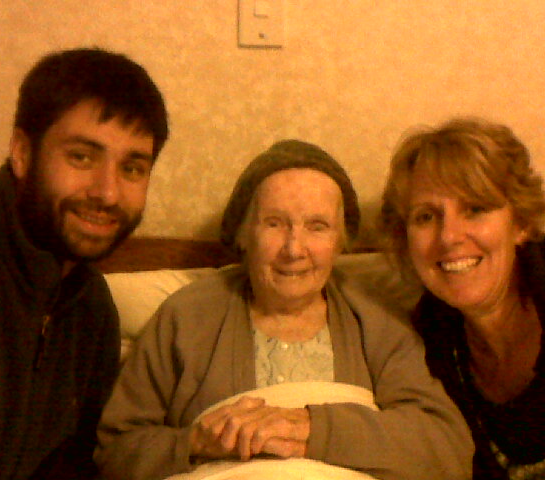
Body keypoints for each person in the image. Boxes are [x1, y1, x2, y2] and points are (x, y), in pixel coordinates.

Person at [95, 140, 473, 480]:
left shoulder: (377, 319)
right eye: (275, 224)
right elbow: (114, 451)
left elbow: (446, 447)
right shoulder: (186, 315)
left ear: (340, 242)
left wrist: (309, 428)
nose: (294, 249)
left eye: (317, 227)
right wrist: (195, 443)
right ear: (244, 234)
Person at [0, 47, 168, 479]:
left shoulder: (93, 311)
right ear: (22, 153)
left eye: (133, 168)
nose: (107, 193)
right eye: (81, 157)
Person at [380, 117, 545, 479]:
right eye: (426, 216)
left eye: (475, 209)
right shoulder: (426, 341)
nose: (449, 236)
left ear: (521, 223)